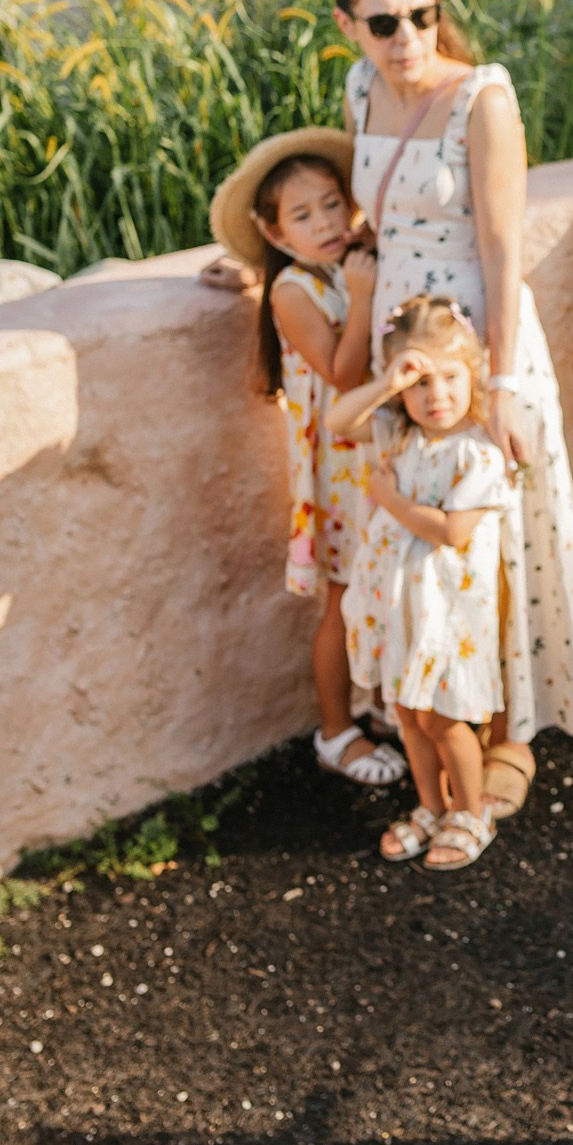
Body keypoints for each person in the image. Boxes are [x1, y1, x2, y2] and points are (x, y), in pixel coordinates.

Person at [203, 0, 573, 813]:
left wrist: (500, 386)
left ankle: (505, 737)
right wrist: (263, 266)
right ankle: (429, 706)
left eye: (423, 14)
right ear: (349, 25)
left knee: (485, 537)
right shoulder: (362, 90)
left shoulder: (482, 101)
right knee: (412, 543)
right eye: (385, 21)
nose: (408, 39)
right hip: (396, 357)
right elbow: (366, 223)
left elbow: (504, 252)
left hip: (472, 352)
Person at [206, 131, 408, 787]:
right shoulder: (295, 291)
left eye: (332, 204)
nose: (324, 223)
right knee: (345, 597)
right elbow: (346, 375)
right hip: (339, 470)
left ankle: (380, 707)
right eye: (303, 215)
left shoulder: (344, 262)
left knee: (385, 588)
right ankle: (334, 730)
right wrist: (363, 296)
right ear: (275, 229)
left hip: (374, 460)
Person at [328, 295, 515, 870]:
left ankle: (472, 808)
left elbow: (454, 532)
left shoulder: (479, 453)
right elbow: (337, 422)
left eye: (450, 378)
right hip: (400, 607)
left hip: (450, 615)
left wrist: (389, 498)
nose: (436, 397)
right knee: (406, 714)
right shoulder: (398, 432)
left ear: (473, 374)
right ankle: (431, 806)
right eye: (420, 384)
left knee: (444, 716)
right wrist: (387, 383)